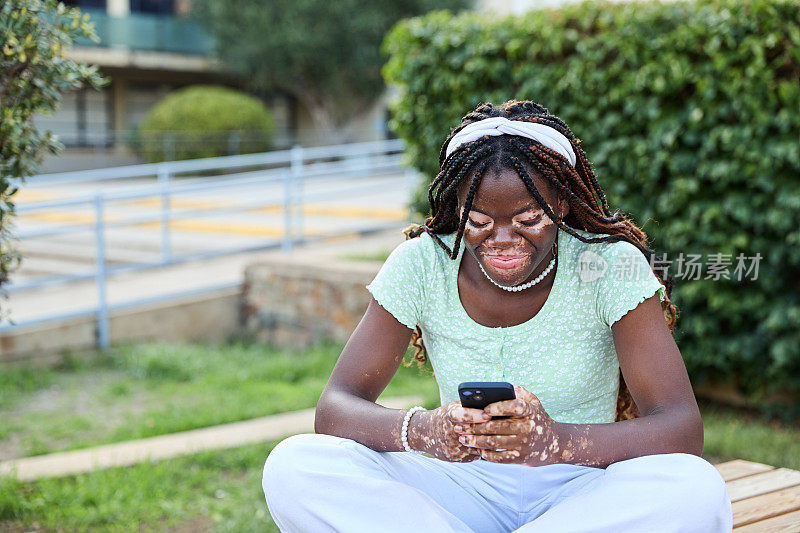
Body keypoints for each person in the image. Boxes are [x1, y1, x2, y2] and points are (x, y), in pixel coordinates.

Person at [261, 100, 733, 532]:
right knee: (295, 464)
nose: (502, 239)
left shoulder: (607, 266)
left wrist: (553, 442)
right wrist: (427, 432)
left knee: (695, 489)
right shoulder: (422, 263)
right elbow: (336, 407)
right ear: (455, 208)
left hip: (583, 488)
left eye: (529, 220)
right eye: (478, 222)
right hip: (456, 487)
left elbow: (680, 426)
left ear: (563, 203)